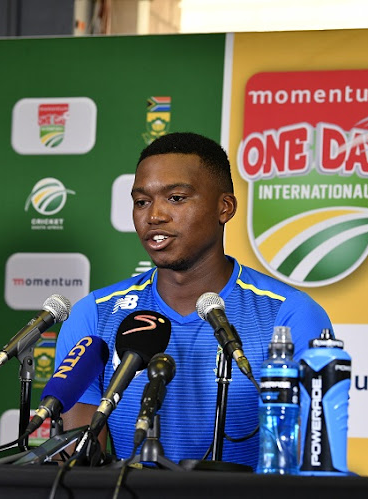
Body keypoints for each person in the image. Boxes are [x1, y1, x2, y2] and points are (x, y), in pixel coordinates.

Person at [54, 132, 332, 468]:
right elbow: (80, 468)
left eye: (175, 198)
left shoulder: (291, 315)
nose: (154, 215)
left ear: (224, 207)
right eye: (142, 201)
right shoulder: (93, 315)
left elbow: (312, 464)